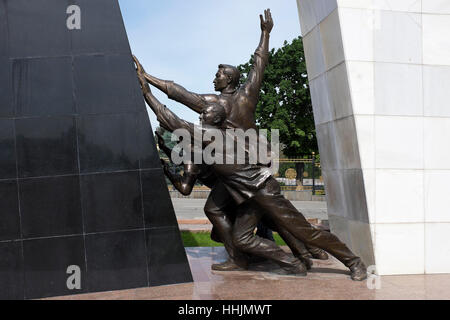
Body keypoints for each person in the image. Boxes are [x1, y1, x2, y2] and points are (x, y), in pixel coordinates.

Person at [137, 72, 367, 280]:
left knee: (304, 232)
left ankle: (354, 262)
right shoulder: (216, 135)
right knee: (242, 238)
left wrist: (146, 91)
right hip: (247, 195)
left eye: (204, 112)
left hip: (263, 190)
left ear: (214, 119)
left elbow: (172, 121)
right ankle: (292, 262)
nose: (200, 115)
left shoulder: (211, 134)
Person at [133, 9, 275, 271]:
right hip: (240, 168)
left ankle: (278, 255)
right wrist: (147, 77)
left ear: (229, 78)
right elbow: (179, 93)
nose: (215, 77)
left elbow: (259, 64)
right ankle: (255, 254)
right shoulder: (225, 100)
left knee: (272, 216)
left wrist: (265, 34)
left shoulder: (230, 101)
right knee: (263, 215)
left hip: (246, 168)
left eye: (219, 74)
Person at [155, 130, 328, 270]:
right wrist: (165, 149)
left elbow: (185, 188)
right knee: (273, 219)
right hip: (236, 188)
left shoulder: (191, 157)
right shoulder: (199, 152)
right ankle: (309, 251)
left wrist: (168, 173)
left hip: (230, 194)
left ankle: (246, 257)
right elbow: (184, 162)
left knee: (252, 224)